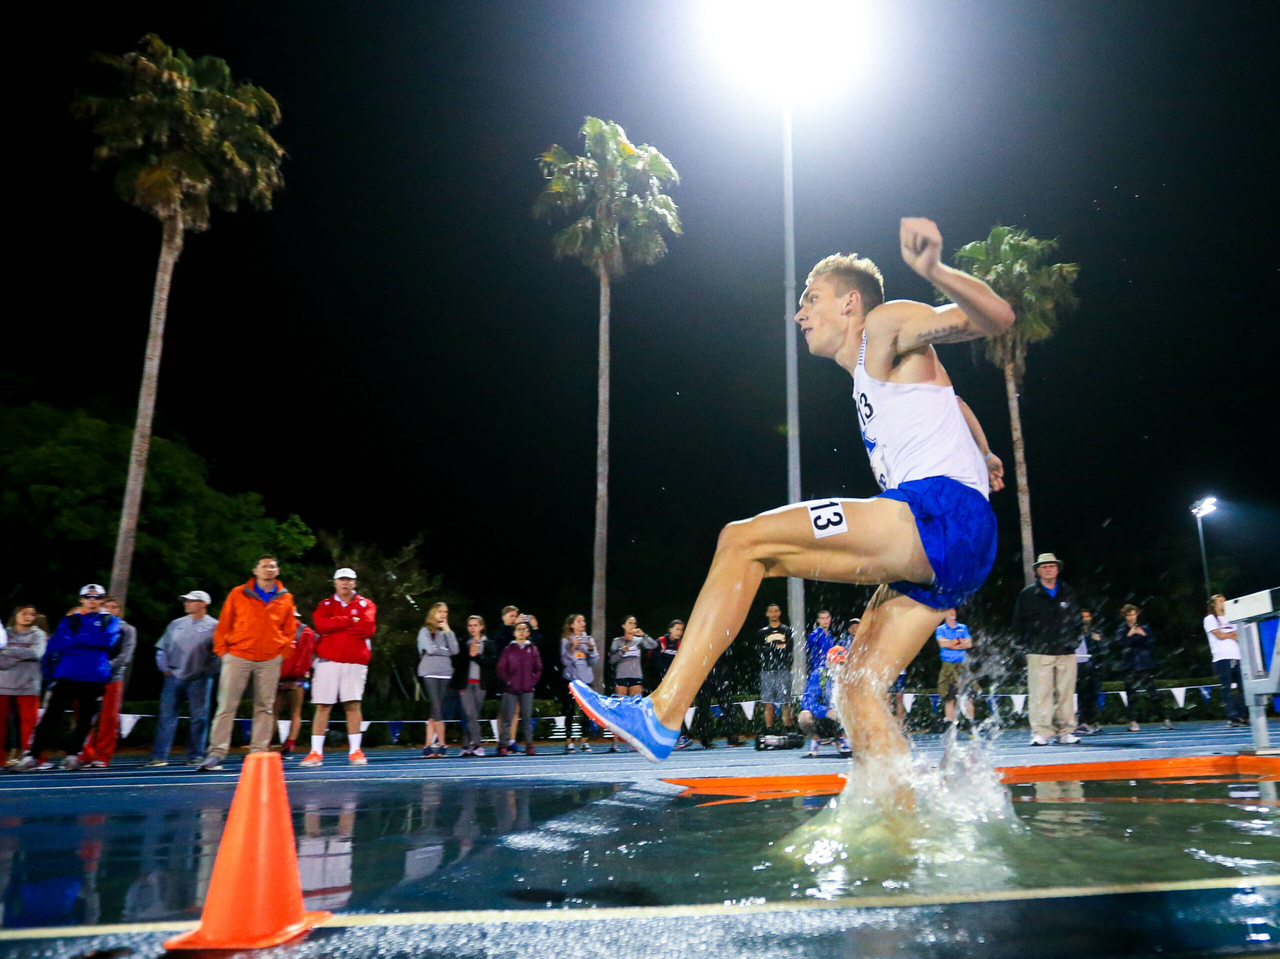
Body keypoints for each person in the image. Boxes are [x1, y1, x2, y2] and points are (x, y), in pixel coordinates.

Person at [570, 218, 1013, 772]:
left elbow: (996, 318)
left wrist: (933, 270)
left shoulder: (884, 324)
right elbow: (956, 402)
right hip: (951, 546)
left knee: (743, 541)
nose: (800, 313)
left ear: (851, 303)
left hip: (939, 515)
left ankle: (662, 713)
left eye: (812, 298)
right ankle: (902, 830)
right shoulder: (877, 372)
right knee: (855, 692)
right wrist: (986, 450)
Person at [198, 555, 297, 772]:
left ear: (277, 571)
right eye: (264, 566)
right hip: (238, 655)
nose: (269, 569)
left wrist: (283, 652)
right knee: (226, 706)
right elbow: (224, 624)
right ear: (255, 570)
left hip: (270, 658)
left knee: (265, 707)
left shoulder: (285, 597)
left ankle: (259, 752)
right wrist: (223, 652)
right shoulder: (238, 593)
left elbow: (290, 629)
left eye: (272, 566)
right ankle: (216, 753)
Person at [14, 585, 121, 772]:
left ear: (102, 600)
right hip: (68, 675)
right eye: (88, 596)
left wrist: (78, 639)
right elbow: (59, 646)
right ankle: (32, 756)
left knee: (85, 720)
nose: (92, 600)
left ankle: (72, 756)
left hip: (95, 676)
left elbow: (107, 642)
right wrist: (91, 640)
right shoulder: (69, 620)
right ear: (81, 599)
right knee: (49, 719)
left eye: (97, 597)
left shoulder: (110, 620)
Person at [303, 568, 377, 767]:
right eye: (341, 580)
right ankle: (315, 752)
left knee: (353, 705)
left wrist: (336, 625)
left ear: (354, 583)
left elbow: (368, 627)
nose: (345, 583)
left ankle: (355, 751)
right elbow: (321, 625)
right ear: (335, 582)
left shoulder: (366, 604)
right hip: (328, 661)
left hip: (354, 661)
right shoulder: (325, 604)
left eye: (349, 580)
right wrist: (349, 621)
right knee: (323, 706)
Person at [1012, 554, 1082, 746]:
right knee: (1040, 693)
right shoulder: (1028, 594)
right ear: (1038, 570)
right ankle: (1041, 732)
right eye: (1044, 567)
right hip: (1039, 651)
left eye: (1051, 566)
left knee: (1066, 694)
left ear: (1057, 569)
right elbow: (1018, 622)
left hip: (1066, 651)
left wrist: (1075, 641)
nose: (1048, 569)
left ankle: (1066, 731)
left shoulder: (1068, 591)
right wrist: (1023, 645)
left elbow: (1077, 619)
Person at [147, 592, 219, 767]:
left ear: (203, 604)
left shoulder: (215, 626)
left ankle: (196, 755)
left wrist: (208, 672)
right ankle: (159, 756)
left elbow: (220, 654)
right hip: (173, 677)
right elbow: (162, 648)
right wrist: (164, 667)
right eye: (186, 601)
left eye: (191, 601)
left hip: (199, 679)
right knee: (166, 717)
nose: (187, 603)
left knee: (199, 718)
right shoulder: (176, 624)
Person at [79, 597, 138, 768]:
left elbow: (125, 656)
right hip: (88, 678)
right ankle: (85, 753)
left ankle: (103, 756)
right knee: (85, 717)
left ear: (119, 611)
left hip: (112, 678)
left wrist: (103, 666)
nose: (110, 610)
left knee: (108, 719)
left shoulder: (127, 629)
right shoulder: (91, 625)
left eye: (114, 607)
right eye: (107, 606)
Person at [800, 610, 852, 758]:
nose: (840, 668)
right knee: (804, 716)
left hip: (839, 719)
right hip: (823, 716)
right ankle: (816, 739)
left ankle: (843, 738)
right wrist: (827, 712)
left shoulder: (849, 677)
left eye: (843, 664)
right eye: (837, 664)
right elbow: (807, 702)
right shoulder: (819, 674)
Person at [1, 606, 47, 765]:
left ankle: (34, 758)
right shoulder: (4, 633)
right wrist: (21, 654)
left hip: (28, 684)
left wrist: (7, 651)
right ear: (15, 615)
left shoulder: (38, 634)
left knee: (31, 725)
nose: (28, 616)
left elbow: (37, 654)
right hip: (2, 684)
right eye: (24, 613)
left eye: (32, 614)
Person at [1116, 604, 1171, 732]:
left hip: (1144, 664)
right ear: (1125, 616)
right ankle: (1133, 722)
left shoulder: (1145, 628)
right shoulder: (1121, 630)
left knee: (1153, 693)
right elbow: (1119, 645)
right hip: (1130, 665)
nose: (1132, 617)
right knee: (1131, 695)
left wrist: (1144, 635)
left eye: (1134, 614)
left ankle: (1165, 719)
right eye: (1129, 615)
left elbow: (1151, 645)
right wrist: (1129, 635)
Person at [416, 602, 458, 758]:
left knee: (436, 710)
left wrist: (448, 631)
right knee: (436, 707)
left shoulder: (446, 633)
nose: (443, 614)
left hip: (445, 673)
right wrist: (444, 650)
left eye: (446, 612)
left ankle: (427, 746)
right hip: (430, 672)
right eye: (440, 611)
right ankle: (441, 744)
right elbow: (431, 649)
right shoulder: (425, 631)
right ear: (433, 613)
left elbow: (455, 650)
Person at [452, 615, 497, 756]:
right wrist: (468, 654)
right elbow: (457, 663)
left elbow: (491, 663)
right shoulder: (463, 643)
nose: (472, 628)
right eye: (470, 625)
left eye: (475, 625)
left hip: (480, 685)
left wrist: (476, 656)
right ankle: (477, 745)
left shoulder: (489, 644)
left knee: (473, 716)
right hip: (465, 684)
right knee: (470, 714)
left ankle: (466, 745)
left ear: (481, 627)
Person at [496, 620, 541, 755]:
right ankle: (502, 744)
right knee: (507, 718)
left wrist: (532, 681)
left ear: (528, 633)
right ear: (514, 633)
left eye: (524, 629)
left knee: (527, 719)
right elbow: (500, 668)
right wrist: (508, 682)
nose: (522, 632)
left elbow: (538, 668)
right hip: (510, 690)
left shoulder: (532, 649)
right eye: (519, 629)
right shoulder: (508, 649)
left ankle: (529, 744)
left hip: (527, 689)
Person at [1204, 594, 1248, 727]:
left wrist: (1229, 635)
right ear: (1214, 604)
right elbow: (1219, 635)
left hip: (1237, 656)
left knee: (1243, 687)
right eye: (1221, 601)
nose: (1224, 604)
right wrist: (1230, 635)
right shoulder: (1210, 619)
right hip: (1222, 657)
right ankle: (1232, 716)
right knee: (1227, 688)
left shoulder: (1231, 618)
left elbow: (1239, 635)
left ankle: (1243, 715)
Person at [276, 615, 316, 756]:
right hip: (278, 677)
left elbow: (305, 657)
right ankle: (265, 744)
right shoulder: (276, 629)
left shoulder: (304, 631)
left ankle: (289, 745)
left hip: (296, 678)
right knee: (270, 711)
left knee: (295, 711)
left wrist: (293, 676)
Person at [560, 614, 600, 753]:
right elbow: (564, 661)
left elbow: (594, 661)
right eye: (579, 621)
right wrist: (572, 648)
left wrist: (590, 649)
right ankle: (569, 742)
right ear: (572, 625)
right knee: (570, 711)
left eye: (583, 620)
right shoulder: (566, 640)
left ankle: (584, 741)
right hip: (571, 679)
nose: (583, 623)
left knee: (586, 712)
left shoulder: (589, 639)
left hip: (587, 680)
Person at [757, 604, 795, 733]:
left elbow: (789, 649)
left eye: (776, 611)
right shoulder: (762, 632)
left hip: (783, 669)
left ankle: (788, 728)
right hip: (767, 670)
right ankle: (769, 729)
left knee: (786, 701)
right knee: (768, 701)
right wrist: (776, 647)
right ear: (767, 614)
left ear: (780, 613)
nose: (773, 614)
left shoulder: (786, 630)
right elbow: (759, 651)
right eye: (771, 611)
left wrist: (772, 648)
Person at [934, 608, 974, 727]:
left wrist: (951, 644)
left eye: (954, 610)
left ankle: (970, 721)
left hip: (962, 664)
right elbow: (942, 643)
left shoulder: (963, 627)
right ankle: (950, 722)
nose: (952, 612)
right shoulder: (940, 629)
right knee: (949, 696)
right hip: (948, 666)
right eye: (949, 611)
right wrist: (959, 641)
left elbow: (969, 644)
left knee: (968, 695)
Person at [1073, 609, 1104, 735]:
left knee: (1093, 694)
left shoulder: (1096, 632)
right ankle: (1081, 721)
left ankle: (1090, 720)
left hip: (1092, 665)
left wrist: (1098, 640)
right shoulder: (1074, 631)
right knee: (1082, 694)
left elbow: (1103, 647)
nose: (1085, 619)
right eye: (1083, 617)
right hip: (1078, 665)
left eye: (1088, 616)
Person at [609, 616, 656, 696]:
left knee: (636, 703)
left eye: (634, 623)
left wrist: (643, 635)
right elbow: (611, 660)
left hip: (636, 676)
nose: (632, 626)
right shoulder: (617, 641)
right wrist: (621, 652)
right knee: (622, 703)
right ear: (624, 626)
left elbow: (654, 645)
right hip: (621, 676)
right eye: (630, 623)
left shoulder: (639, 640)